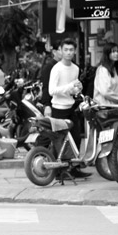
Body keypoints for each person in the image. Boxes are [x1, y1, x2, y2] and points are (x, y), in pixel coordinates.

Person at [48, 38, 90, 178]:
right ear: (60, 50)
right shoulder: (56, 68)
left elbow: (72, 91)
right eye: (65, 50)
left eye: (71, 50)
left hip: (71, 107)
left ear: (75, 51)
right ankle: (58, 171)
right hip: (58, 109)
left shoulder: (76, 68)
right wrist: (69, 87)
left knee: (76, 138)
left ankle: (73, 169)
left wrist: (77, 88)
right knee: (60, 141)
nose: (68, 53)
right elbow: (51, 91)